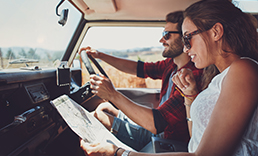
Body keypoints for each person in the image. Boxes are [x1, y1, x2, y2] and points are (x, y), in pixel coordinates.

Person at [80, 0, 258, 155]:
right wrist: (190, 96)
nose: (186, 48)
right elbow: (195, 137)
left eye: (187, 38)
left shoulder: (242, 70)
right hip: (180, 144)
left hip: (167, 137)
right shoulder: (212, 75)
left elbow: (202, 154)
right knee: (103, 109)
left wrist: (119, 153)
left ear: (216, 32)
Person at [79, 11, 203, 151]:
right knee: (103, 108)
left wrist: (112, 94)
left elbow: (157, 124)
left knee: (98, 117)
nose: (162, 41)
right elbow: (138, 68)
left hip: (166, 139)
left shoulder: (191, 77)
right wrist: (100, 55)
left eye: (166, 35)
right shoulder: (171, 65)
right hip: (159, 129)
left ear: (184, 38)